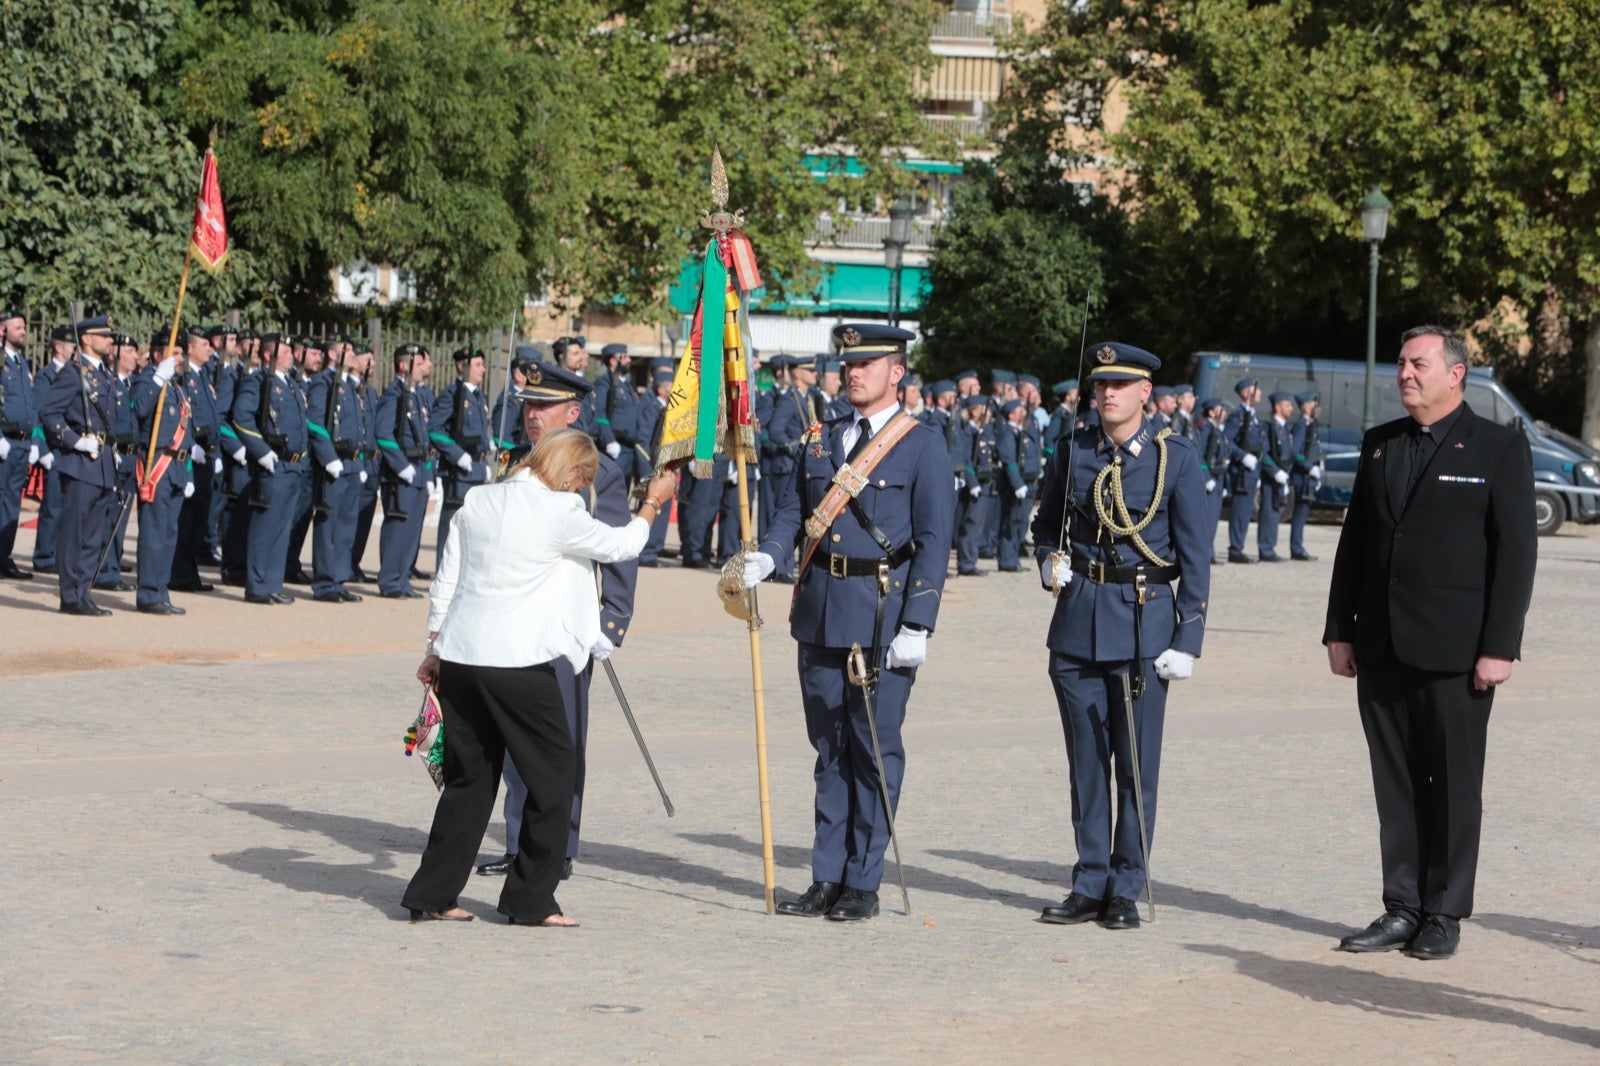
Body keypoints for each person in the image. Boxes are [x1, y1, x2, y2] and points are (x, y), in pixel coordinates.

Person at [402, 428, 676, 926]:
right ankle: (530, 900)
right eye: (580, 481)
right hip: (518, 663)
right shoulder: (560, 511)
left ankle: (432, 893)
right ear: (571, 471)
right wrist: (654, 502)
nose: (578, 491)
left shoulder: (480, 500)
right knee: (555, 778)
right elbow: (621, 545)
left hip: (463, 657)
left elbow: (448, 577)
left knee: (470, 782)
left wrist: (434, 648)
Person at [1324, 324, 1536, 961]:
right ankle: (1401, 905)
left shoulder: (1498, 447)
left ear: (1456, 373)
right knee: (1396, 784)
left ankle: (1444, 912)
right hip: (1382, 645)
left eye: (1418, 364)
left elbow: (1516, 555)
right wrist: (1339, 630)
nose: (1405, 374)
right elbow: (1355, 544)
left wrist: (1500, 646)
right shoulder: (1380, 445)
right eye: (1401, 365)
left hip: (1457, 653)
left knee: (1453, 784)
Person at [740, 323, 955, 923]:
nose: (852, 372)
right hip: (820, 612)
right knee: (829, 750)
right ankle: (826, 876)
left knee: (873, 748)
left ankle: (863, 878)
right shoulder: (819, 439)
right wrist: (770, 555)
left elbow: (935, 541)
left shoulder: (921, 444)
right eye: (848, 363)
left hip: (882, 615)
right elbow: (793, 513)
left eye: (868, 363)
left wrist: (919, 622)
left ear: (898, 372)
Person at [1031, 341, 1210, 930]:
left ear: (1144, 394)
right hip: (1079, 620)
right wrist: (1048, 558)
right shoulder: (1072, 450)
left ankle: (1126, 885)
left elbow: (1195, 556)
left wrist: (1188, 637)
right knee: (1086, 764)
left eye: (1120, 385)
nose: (1106, 394)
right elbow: (1046, 522)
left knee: (1135, 766)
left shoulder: (1174, 458)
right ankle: (1089, 880)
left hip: (1143, 625)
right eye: (1100, 384)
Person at [473, 362, 643, 879]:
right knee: (514, 742)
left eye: (543, 407)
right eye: (528, 405)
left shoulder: (597, 472)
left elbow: (618, 553)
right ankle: (520, 840)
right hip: (516, 624)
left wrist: (610, 623)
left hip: (568, 628)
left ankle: (558, 846)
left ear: (572, 412)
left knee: (563, 739)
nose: (531, 416)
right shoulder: (517, 465)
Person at [39, 316, 120, 615]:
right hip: (80, 463)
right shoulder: (74, 374)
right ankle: (70, 595)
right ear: (86, 339)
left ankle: (83, 591)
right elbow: (49, 413)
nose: (111, 340)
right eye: (105, 336)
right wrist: (74, 441)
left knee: (92, 535)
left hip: (102, 465)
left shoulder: (105, 374)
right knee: (74, 532)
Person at [232, 333, 309, 605]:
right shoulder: (259, 382)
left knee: (281, 528)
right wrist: (261, 451)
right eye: (286, 351)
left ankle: (272, 583)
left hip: (293, 466)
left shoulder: (289, 384)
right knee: (265, 527)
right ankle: (257, 585)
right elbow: (240, 418)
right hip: (273, 464)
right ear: (268, 355)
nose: (292, 356)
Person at [131, 334, 195, 615]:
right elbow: (139, 408)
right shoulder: (149, 380)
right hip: (158, 464)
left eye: (182, 353)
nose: (179, 358)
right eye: (175, 353)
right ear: (158, 355)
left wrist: (189, 472)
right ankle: (147, 594)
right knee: (153, 533)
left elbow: (186, 433)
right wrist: (157, 379)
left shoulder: (177, 388)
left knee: (169, 534)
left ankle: (161, 590)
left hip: (178, 467)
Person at [306, 337, 366, 603]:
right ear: (332, 354)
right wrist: (328, 457)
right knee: (329, 524)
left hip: (352, 464)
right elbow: (315, 422)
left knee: (346, 526)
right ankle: (324, 582)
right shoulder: (324, 383)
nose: (352, 354)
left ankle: (339, 579)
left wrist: (360, 462)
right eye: (347, 350)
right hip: (335, 464)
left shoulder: (349, 386)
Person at [375, 343, 434, 598]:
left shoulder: (414, 395)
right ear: (404, 365)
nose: (423, 368)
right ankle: (390, 581)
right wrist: (401, 466)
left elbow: (424, 440)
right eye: (418, 363)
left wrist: (428, 472)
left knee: (411, 531)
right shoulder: (394, 395)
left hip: (418, 471)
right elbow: (383, 433)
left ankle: (401, 579)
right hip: (402, 475)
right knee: (398, 528)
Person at [429, 346, 492, 566]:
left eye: (482, 365)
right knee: (452, 526)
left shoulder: (478, 396)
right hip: (458, 472)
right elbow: (435, 429)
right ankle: (444, 570)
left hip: (476, 470)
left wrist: (486, 448)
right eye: (477, 365)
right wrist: (458, 456)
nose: (482, 370)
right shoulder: (452, 394)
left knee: (471, 528)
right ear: (462, 367)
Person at [172, 327, 220, 593]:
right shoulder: (187, 376)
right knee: (186, 519)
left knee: (199, 521)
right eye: (204, 344)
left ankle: (190, 573)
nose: (209, 349)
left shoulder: (203, 375)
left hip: (207, 455)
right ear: (190, 348)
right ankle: (179, 574)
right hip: (192, 455)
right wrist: (191, 447)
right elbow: (185, 416)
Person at [0, 308, 41, 580]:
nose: (23, 331)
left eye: (24, 327)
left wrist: (36, 438)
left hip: (22, 444)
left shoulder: (21, 362)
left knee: (12, 503)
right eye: (17, 327)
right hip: (5, 441)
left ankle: (3, 556)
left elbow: (30, 403)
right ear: (2, 330)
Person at [1222, 377, 1265, 564]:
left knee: (1246, 512)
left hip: (1251, 471)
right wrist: (1242, 456)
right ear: (1248, 393)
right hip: (1241, 471)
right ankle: (1235, 549)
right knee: (1240, 511)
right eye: (1257, 389)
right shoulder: (1238, 415)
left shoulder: (1253, 415)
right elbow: (1226, 441)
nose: (1260, 393)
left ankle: (1239, 547)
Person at [1255, 391, 1297, 562]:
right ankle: (1265, 549)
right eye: (1288, 405)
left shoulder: (1284, 428)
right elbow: (1263, 453)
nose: (1291, 408)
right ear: (1278, 406)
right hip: (1271, 477)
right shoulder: (1269, 427)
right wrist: (1274, 471)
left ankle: (1269, 547)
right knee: (1268, 512)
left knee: (1275, 511)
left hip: (1282, 475)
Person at [1288, 391, 1323, 561]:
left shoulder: (1311, 424)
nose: (1318, 408)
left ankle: (1298, 546)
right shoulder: (1302, 425)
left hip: (1309, 476)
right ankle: (1296, 548)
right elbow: (1294, 452)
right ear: (1306, 406)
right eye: (1315, 404)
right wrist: (1309, 468)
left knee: (1303, 513)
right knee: (1300, 513)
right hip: (1303, 476)